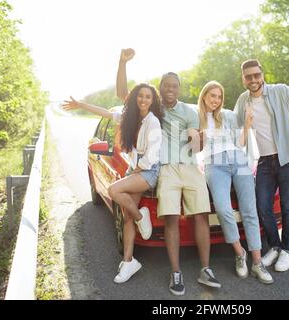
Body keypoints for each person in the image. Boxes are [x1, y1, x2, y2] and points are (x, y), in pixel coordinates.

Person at [116, 48, 220, 296]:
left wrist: (199, 139)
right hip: (166, 170)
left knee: (202, 216)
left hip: (190, 168)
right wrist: (122, 62)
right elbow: (123, 94)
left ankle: (205, 269)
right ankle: (176, 273)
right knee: (171, 219)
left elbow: (196, 144)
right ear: (160, 89)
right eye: (166, 85)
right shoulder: (154, 109)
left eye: (175, 86)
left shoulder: (189, 111)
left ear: (179, 89)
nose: (170, 89)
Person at [62, 79, 163, 284]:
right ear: (135, 99)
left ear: (152, 101)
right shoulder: (130, 118)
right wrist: (81, 105)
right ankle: (129, 261)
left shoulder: (153, 121)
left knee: (113, 190)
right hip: (135, 170)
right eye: (140, 96)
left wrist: (135, 169)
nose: (143, 99)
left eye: (148, 97)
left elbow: (153, 156)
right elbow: (105, 113)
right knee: (126, 217)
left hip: (147, 171)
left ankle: (141, 217)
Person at [234, 53, 289, 272]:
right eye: (248, 77)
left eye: (256, 75)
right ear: (243, 79)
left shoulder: (279, 90)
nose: (253, 80)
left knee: (288, 206)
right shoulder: (243, 100)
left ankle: (287, 251)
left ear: (262, 75)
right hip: (264, 161)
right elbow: (232, 126)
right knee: (263, 206)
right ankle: (274, 245)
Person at [198, 80, 273, 284]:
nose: (216, 100)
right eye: (212, 95)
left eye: (219, 96)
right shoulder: (197, 119)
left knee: (249, 210)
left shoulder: (228, 116)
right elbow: (194, 148)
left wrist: (247, 126)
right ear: (204, 96)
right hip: (215, 165)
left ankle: (257, 262)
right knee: (223, 209)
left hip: (238, 161)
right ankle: (240, 253)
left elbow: (240, 143)